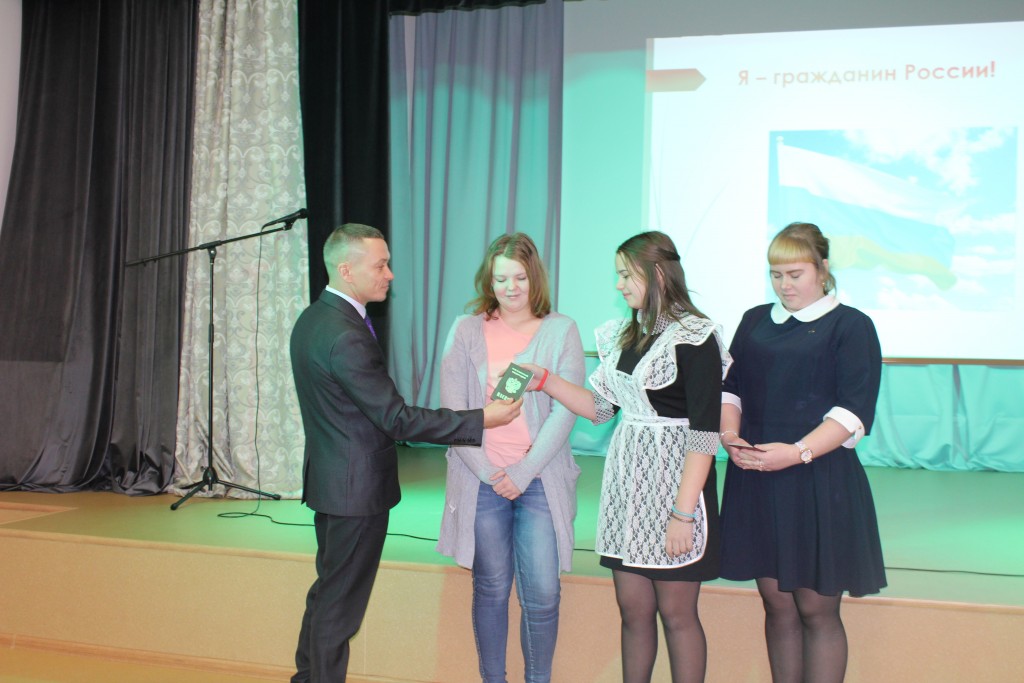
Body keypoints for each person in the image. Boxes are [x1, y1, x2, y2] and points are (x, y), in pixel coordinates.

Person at [289, 223, 522, 683]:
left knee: (328, 594)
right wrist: (481, 418)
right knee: (339, 608)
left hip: (333, 483)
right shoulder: (345, 334)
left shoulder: (314, 318)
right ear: (346, 270)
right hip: (355, 493)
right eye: (380, 265)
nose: (390, 274)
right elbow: (396, 419)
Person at [521, 231, 731, 683]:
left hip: (677, 491)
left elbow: (703, 435)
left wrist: (683, 514)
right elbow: (601, 408)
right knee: (633, 611)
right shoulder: (625, 334)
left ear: (658, 274)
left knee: (677, 615)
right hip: (628, 491)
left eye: (625, 275)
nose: (618, 285)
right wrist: (545, 380)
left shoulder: (696, 337)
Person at [718, 222, 885, 683]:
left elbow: (852, 412)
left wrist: (795, 453)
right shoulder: (755, 320)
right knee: (777, 606)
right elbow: (731, 389)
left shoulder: (851, 325)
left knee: (816, 610)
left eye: (795, 274)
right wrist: (730, 437)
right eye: (776, 275)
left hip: (818, 481)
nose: (784, 285)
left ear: (823, 269)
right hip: (757, 477)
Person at [436, 233, 585, 683]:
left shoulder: (561, 329)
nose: (510, 287)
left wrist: (523, 471)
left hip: (539, 479)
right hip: (482, 478)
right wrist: (489, 472)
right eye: (501, 278)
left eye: (519, 277)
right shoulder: (466, 330)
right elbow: (454, 414)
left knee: (542, 593)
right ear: (489, 280)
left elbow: (566, 412)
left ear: (534, 278)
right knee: (491, 588)